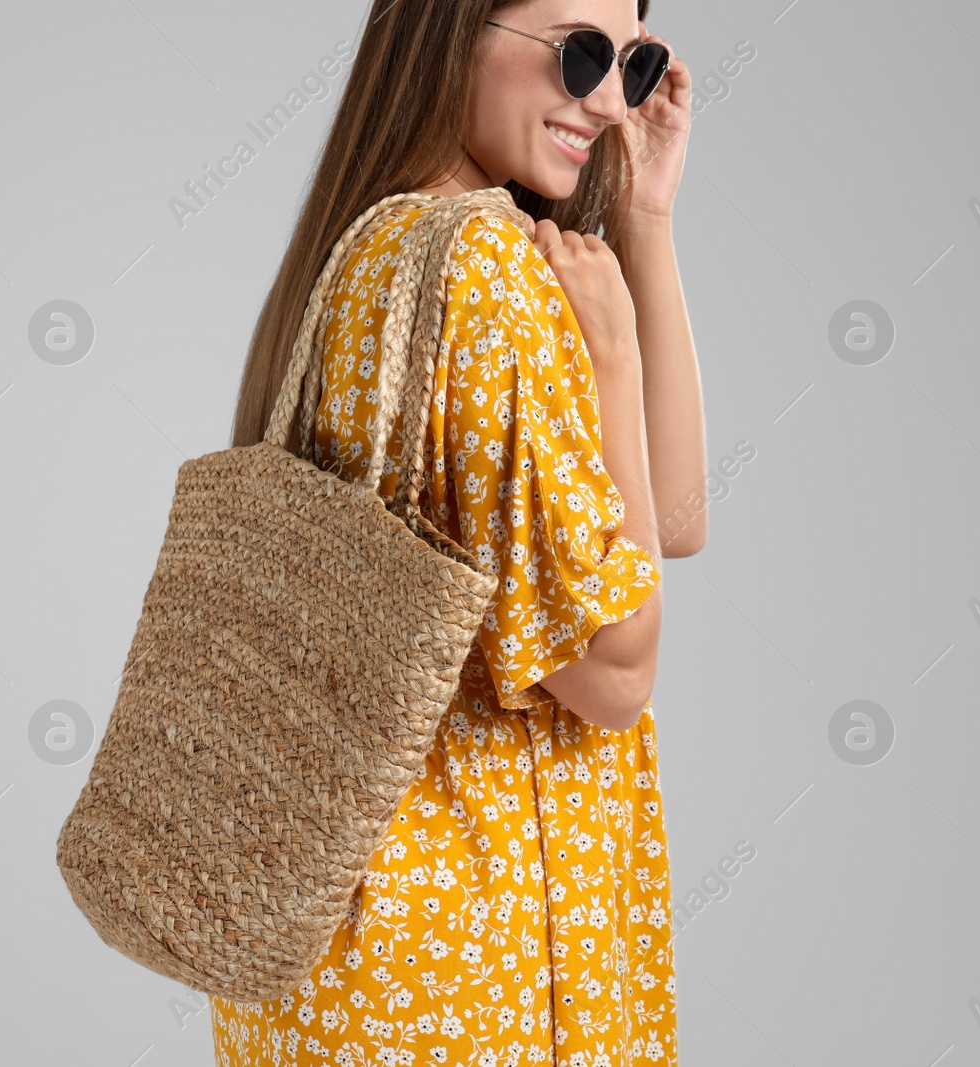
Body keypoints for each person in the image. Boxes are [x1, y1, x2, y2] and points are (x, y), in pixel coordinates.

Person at [216, 1, 705, 1063]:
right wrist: (612, 364)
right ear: (448, 29)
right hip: (477, 960)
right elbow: (616, 670)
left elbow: (669, 517)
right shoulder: (489, 275)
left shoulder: (357, 253)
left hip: (329, 946)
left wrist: (648, 221)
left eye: (633, 62)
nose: (610, 99)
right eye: (578, 53)